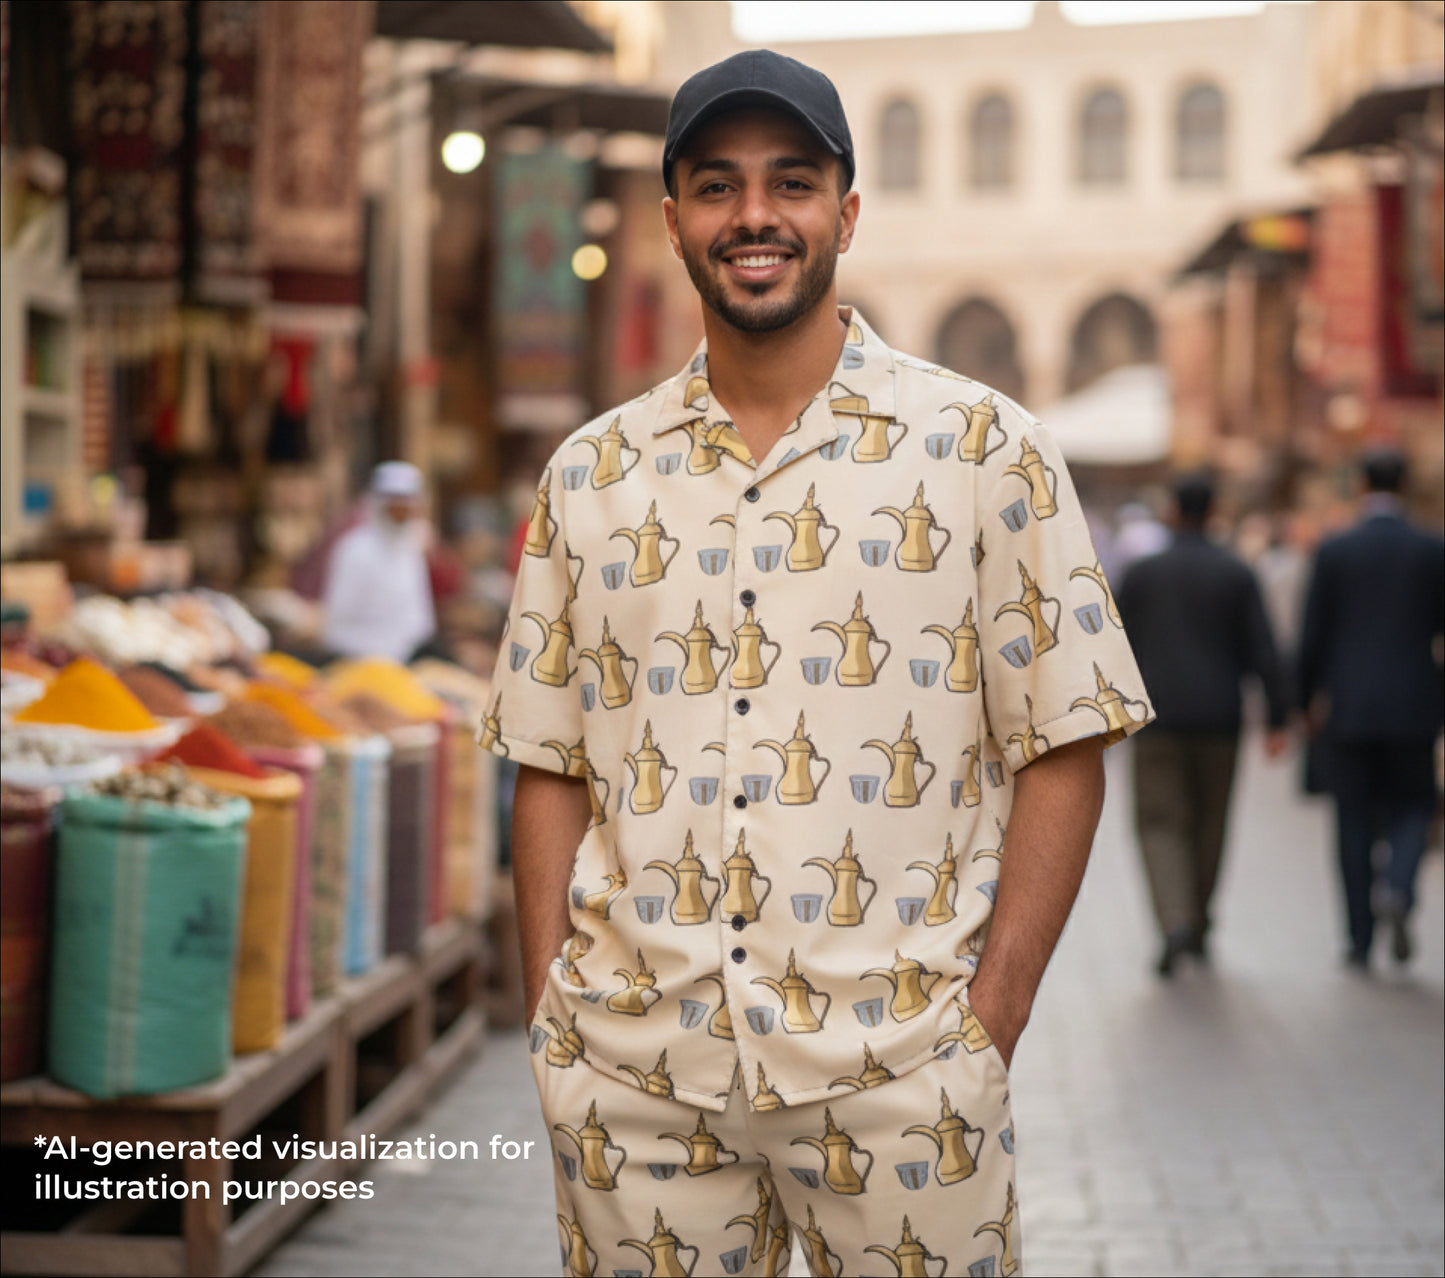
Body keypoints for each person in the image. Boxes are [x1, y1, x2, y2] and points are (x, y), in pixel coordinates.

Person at [479, 50, 1152, 1276]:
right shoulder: (590, 475)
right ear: (671, 216)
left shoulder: (984, 452)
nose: (754, 215)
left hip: (901, 1086)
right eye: (717, 184)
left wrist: (982, 1034)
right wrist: (552, 1018)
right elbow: (546, 758)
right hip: (635, 1087)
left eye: (790, 183)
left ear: (843, 212)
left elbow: (1065, 742)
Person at [1115, 475, 1289, 977]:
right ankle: (1199, 918)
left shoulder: (1143, 573)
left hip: (1157, 716)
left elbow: (1114, 641)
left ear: (1171, 510)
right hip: (1220, 717)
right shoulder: (1235, 571)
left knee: (1159, 821)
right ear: (1215, 510)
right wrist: (1277, 717)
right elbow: (1263, 648)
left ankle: (1173, 921)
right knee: (1211, 821)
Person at [1297, 450, 1444, 970]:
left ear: (1360, 484)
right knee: (1413, 807)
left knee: (1353, 821)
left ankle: (1359, 940)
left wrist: (1300, 703)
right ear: (1406, 484)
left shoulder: (1336, 551)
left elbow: (1311, 636)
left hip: (1350, 710)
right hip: (1415, 707)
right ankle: (1399, 888)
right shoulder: (1432, 549)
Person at [320, 461, 437, 663]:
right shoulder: (355, 551)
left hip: (414, 656)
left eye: (408, 504)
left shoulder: (411, 547)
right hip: (364, 659)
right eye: (396, 504)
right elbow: (337, 622)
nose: (402, 511)